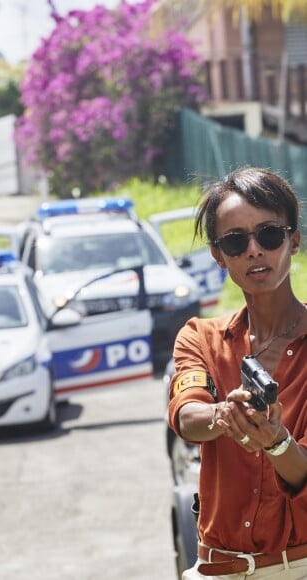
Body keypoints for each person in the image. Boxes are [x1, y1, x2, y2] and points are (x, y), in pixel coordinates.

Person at [168, 167, 306, 579]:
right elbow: (186, 417)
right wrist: (223, 417)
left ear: (294, 239)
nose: (253, 250)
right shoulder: (200, 337)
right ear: (218, 254)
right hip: (217, 568)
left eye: (269, 234)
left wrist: (277, 443)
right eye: (235, 240)